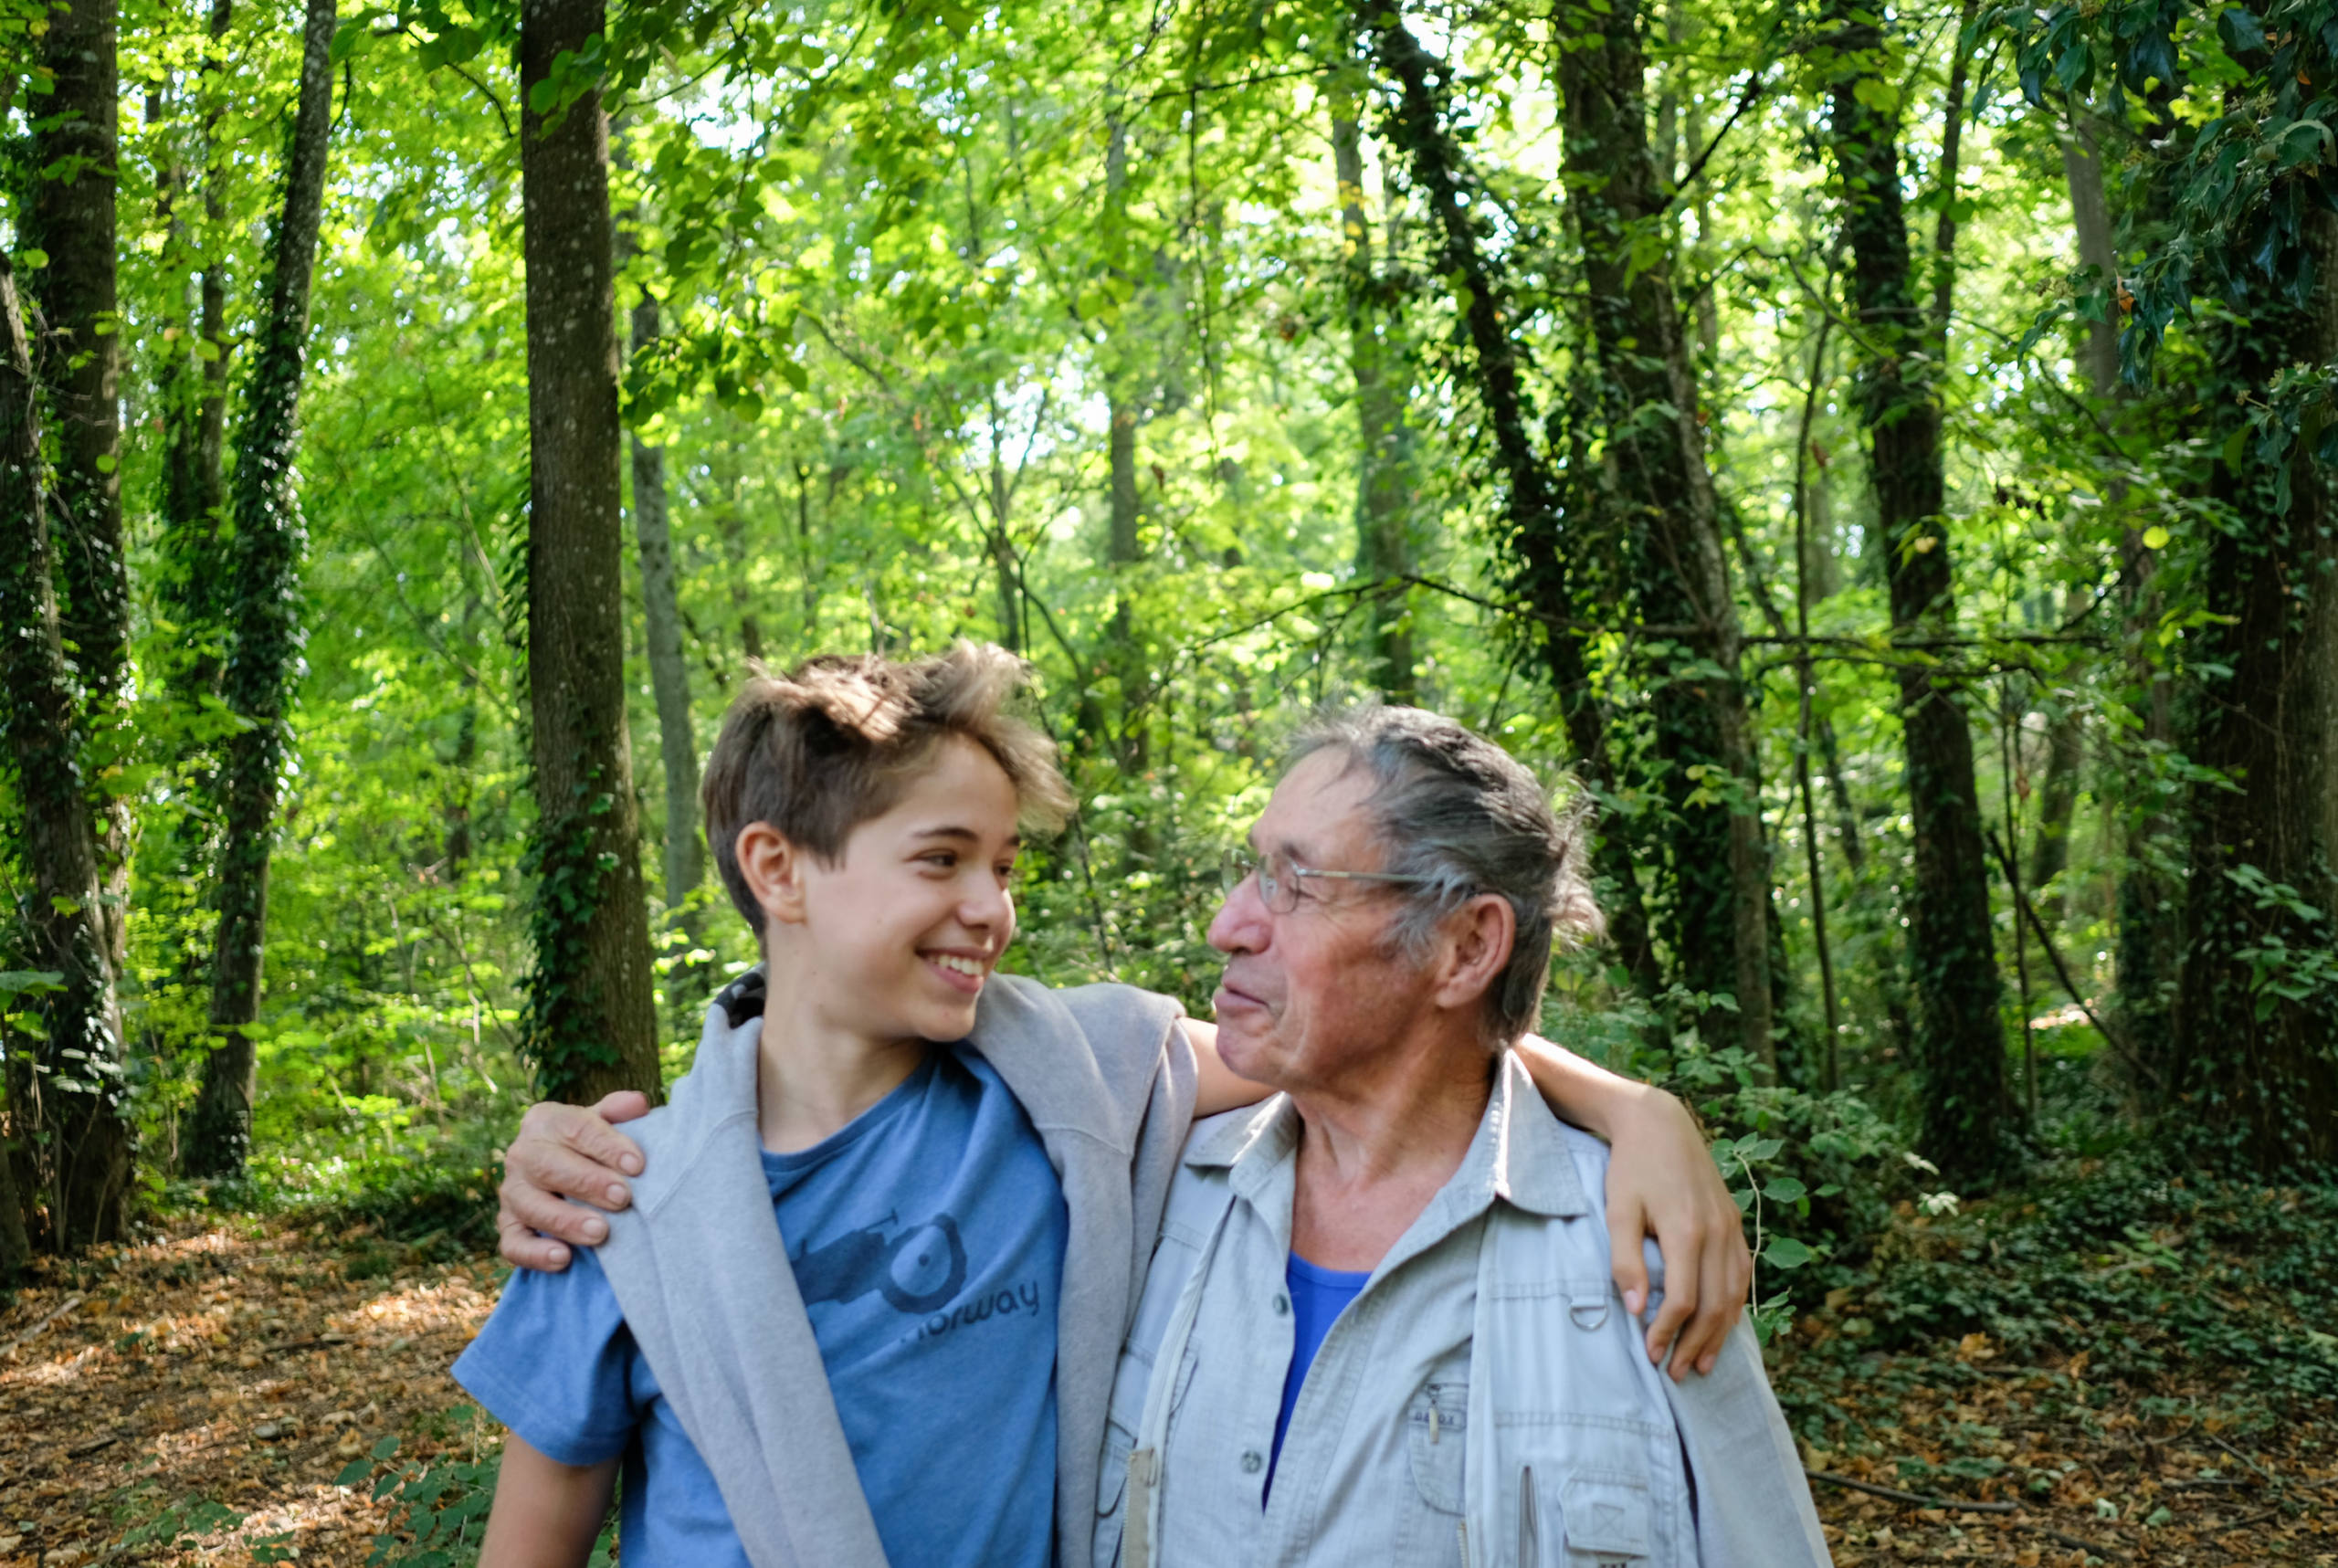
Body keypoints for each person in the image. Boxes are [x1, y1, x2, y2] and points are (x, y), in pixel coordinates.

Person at [481, 645, 1753, 1568]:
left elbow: (1384, 1041)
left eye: (1004, 864)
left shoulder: (1065, 1083)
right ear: (778, 869)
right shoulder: (617, 1198)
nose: (992, 907)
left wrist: (1639, 1109)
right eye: (941, 859)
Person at [1095, 707, 1827, 1566]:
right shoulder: (1157, 1191)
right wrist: (1637, 1102)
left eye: (1294, 883)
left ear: (1467, 947)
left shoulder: (1639, 1259)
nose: (1229, 924)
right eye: (1255, 869)